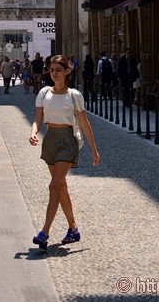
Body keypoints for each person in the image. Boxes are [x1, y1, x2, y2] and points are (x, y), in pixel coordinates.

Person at [29, 55, 100, 250]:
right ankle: (73, 229)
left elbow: (84, 123)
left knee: (53, 185)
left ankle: (44, 232)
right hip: (50, 140)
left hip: (68, 141)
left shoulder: (74, 95)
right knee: (60, 187)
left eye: (58, 70)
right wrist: (33, 133)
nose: (54, 73)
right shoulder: (43, 93)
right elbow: (37, 119)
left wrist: (94, 149)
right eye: (51, 70)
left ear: (67, 71)